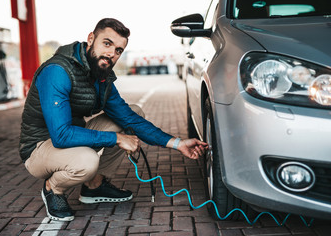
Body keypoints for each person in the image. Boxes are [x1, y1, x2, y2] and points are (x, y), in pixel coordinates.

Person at [19, 18, 208, 221]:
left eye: (118, 50)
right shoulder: (57, 71)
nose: (111, 54)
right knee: (87, 160)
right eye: (107, 44)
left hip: (70, 139)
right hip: (39, 148)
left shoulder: (101, 76)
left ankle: (94, 186)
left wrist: (178, 143)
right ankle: (52, 189)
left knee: (133, 114)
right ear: (91, 39)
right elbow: (61, 136)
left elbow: (129, 119)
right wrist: (117, 138)